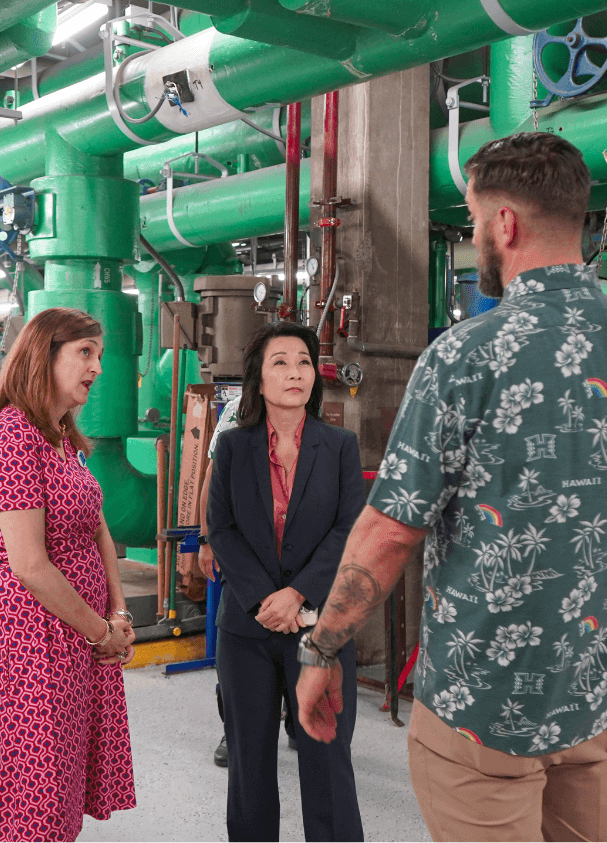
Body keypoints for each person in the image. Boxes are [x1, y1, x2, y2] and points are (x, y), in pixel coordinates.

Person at [295, 132, 607, 842]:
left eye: (477, 220)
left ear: (505, 224)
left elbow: (390, 533)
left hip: (485, 707)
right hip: (595, 695)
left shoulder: (464, 357)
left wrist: (324, 649)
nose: (477, 235)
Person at [0, 307, 138, 842]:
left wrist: (119, 613)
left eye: (100, 355)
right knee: (34, 789)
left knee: (62, 787)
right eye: (85, 353)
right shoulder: (10, 437)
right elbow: (30, 565)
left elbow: (99, 531)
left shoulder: (61, 436)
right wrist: (101, 632)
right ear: (46, 355)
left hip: (80, 635)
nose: (98, 367)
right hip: (35, 640)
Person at [208, 322, 366, 842]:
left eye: (303, 361)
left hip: (320, 631)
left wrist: (297, 593)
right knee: (250, 763)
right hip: (247, 632)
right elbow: (222, 530)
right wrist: (263, 601)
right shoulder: (232, 448)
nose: (294, 372)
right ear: (258, 379)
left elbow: (348, 529)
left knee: (327, 760)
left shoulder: (340, 445)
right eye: (280, 361)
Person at [197, 393, 241, 768]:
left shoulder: (311, 404)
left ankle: (297, 721)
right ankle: (235, 728)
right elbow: (213, 476)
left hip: (298, 553)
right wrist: (206, 538)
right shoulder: (238, 409)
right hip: (243, 553)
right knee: (233, 650)